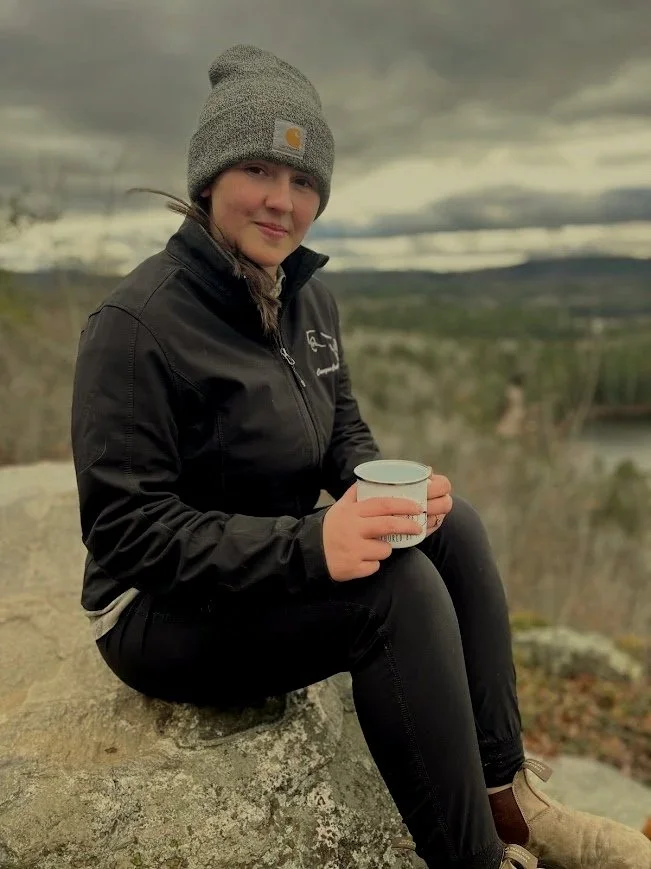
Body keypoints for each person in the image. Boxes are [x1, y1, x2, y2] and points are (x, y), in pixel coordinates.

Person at [70, 45, 650, 869]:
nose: (282, 200)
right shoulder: (135, 325)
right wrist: (313, 545)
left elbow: (341, 433)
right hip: (155, 611)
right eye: (260, 171)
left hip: (257, 566)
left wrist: (385, 490)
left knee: (452, 531)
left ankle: (507, 799)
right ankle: (472, 856)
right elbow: (127, 533)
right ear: (209, 178)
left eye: (304, 181)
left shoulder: (307, 298)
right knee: (394, 587)